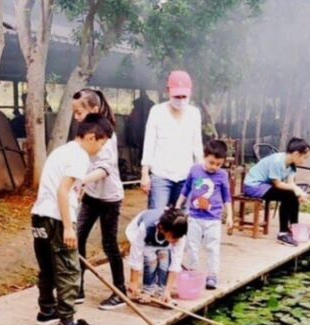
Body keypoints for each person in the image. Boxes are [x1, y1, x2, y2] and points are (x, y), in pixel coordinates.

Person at [35, 116, 111, 325]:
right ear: (90, 137)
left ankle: (47, 311)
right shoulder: (79, 156)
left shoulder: (63, 151)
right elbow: (62, 191)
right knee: (69, 269)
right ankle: (67, 323)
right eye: (102, 142)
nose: (102, 147)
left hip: (39, 216)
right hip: (58, 219)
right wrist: (68, 227)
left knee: (47, 268)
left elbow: (58, 185)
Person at [68, 88, 129, 311]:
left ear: (94, 109)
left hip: (110, 198)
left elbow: (105, 168)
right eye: (74, 112)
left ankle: (120, 291)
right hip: (92, 195)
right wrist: (83, 185)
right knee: (78, 238)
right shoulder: (83, 131)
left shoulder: (106, 133)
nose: (76, 117)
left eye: (79, 112)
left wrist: (81, 181)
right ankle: (78, 287)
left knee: (109, 244)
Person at [140, 69, 203, 215]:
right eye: (177, 96)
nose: (180, 99)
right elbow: (149, 143)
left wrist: (200, 174)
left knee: (181, 219)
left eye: (184, 96)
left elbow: (197, 145)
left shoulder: (194, 114)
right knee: (157, 217)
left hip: (186, 175)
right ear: (168, 91)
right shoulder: (157, 111)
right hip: (161, 175)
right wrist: (144, 174)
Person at [182, 137, 231, 291]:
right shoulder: (195, 170)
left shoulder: (222, 175)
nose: (214, 167)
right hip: (195, 216)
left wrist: (230, 215)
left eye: (219, 164)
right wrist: (178, 205)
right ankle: (192, 271)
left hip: (213, 218)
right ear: (204, 156)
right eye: (211, 162)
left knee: (213, 247)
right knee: (192, 245)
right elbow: (186, 189)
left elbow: (226, 196)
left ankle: (212, 275)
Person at [241, 137, 310, 240]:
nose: (304, 161)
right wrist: (295, 190)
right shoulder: (277, 161)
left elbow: (290, 184)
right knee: (288, 195)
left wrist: (299, 193)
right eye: (304, 157)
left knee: (292, 194)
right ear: (296, 154)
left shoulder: (292, 166)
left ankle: (294, 229)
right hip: (253, 186)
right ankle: (283, 233)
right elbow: (277, 184)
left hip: (266, 186)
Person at [124, 202, 189, 307]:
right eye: (174, 237)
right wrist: (133, 283)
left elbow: (176, 262)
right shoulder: (145, 227)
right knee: (151, 259)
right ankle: (148, 290)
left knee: (164, 258)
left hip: (163, 240)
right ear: (162, 228)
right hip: (143, 239)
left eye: (178, 238)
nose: (176, 241)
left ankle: (162, 291)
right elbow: (136, 256)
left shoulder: (179, 233)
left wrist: (168, 291)